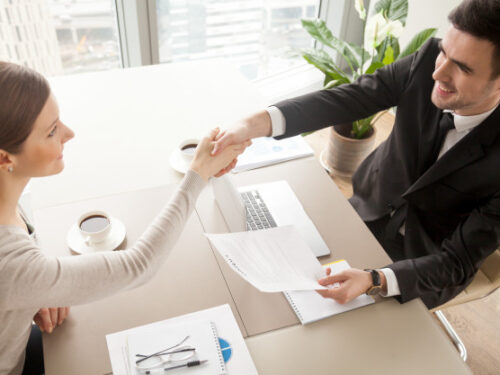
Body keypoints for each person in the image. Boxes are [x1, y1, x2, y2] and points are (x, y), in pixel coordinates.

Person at [213, 0, 500, 309]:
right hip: (365, 211)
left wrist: (378, 279)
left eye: (463, 68)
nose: (438, 72)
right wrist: (255, 123)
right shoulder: (427, 59)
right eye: (445, 52)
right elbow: (353, 97)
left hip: (423, 264)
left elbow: (456, 262)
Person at [0, 61, 248, 375]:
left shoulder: (7, 196)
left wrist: (31, 294)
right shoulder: (11, 265)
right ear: (4, 158)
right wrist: (198, 174)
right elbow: (139, 265)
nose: (69, 134)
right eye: (51, 131)